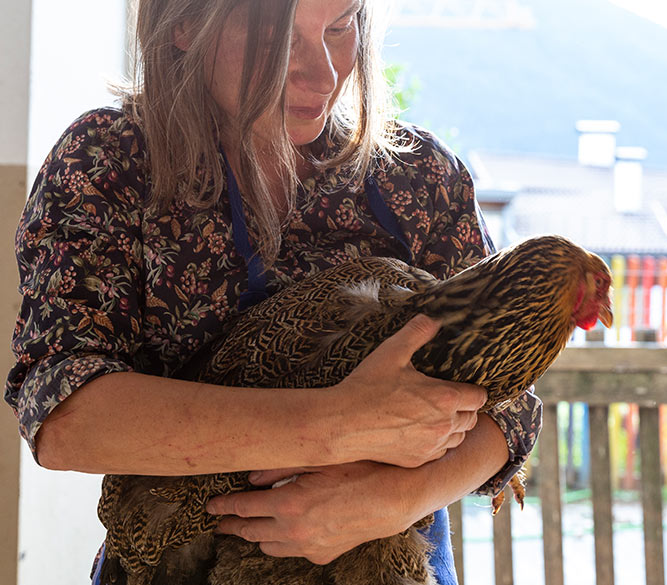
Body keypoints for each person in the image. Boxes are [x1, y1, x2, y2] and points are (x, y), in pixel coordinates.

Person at [4, 0, 540, 582]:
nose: (326, 74)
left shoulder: (419, 176)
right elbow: (64, 416)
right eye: (280, 41)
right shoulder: (110, 161)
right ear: (183, 25)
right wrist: (338, 424)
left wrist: (393, 500)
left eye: (340, 28)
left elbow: (509, 406)